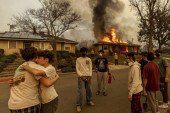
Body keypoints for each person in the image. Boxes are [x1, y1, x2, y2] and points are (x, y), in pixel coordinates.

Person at [8, 47, 58, 113]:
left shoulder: (20, 67)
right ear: (35, 56)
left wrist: (11, 82)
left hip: (13, 104)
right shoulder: (37, 67)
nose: (38, 60)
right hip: (27, 104)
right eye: (38, 57)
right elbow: (46, 82)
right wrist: (57, 77)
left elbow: (16, 82)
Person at [76, 47, 94, 112]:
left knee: (89, 89)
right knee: (80, 91)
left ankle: (89, 101)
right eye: (82, 51)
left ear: (86, 52)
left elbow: (90, 68)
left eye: (85, 51)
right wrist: (81, 76)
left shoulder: (89, 59)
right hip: (81, 77)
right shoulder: (78, 59)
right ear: (81, 52)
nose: (84, 52)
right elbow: (77, 69)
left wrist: (90, 76)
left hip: (88, 76)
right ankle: (78, 105)